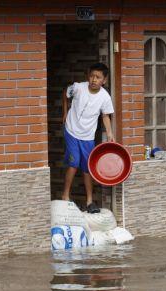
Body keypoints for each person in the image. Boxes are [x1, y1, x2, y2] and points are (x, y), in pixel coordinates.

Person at [61, 62, 114, 214]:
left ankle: (89, 201)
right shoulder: (78, 87)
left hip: (88, 136)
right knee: (73, 162)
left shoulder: (105, 97)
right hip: (71, 131)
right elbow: (65, 93)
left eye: (98, 77)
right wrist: (65, 113)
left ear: (104, 80)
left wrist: (109, 133)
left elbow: (105, 115)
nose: (93, 79)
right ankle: (65, 196)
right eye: (91, 76)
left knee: (87, 168)